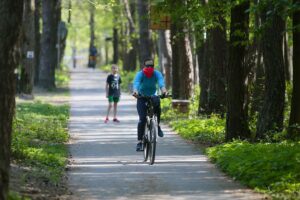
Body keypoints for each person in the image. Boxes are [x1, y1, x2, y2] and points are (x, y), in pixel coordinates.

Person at [132, 58, 168, 151]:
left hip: (153, 95)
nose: (149, 68)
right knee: (142, 119)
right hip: (141, 96)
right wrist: (135, 92)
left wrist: (164, 91)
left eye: (151, 66)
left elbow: (161, 83)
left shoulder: (157, 73)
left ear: (153, 67)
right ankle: (139, 142)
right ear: (144, 66)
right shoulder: (140, 74)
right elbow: (136, 83)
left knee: (158, 108)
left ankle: (158, 126)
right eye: (147, 66)